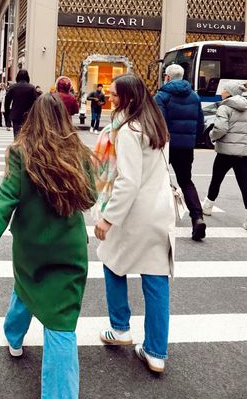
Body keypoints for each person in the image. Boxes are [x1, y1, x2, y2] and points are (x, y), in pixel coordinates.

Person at [0, 93, 97, 399]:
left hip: (31, 249)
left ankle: (13, 336)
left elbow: (5, 201)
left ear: (34, 118)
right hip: (69, 249)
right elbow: (91, 198)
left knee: (27, 285)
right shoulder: (79, 153)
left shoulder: (21, 152)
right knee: (61, 322)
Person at [94, 74, 175, 375]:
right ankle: (156, 352)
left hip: (134, 213)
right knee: (156, 279)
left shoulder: (129, 130)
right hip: (160, 211)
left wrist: (107, 218)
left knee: (110, 260)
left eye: (115, 95)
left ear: (127, 97)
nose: (110, 99)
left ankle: (120, 327)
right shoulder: (156, 123)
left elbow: (128, 182)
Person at [154, 64, 206, 241]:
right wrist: (193, 140)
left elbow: (157, 123)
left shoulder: (161, 96)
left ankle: (156, 220)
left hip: (166, 145)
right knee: (186, 181)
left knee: (157, 180)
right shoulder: (194, 96)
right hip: (186, 147)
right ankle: (197, 217)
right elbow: (200, 123)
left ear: (167, 77)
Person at [203, 81, 247, 230]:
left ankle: (208, 206)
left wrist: (211, 135)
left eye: (224, 90)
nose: (221, 92)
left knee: (216, 179)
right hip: (243, 153)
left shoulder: (225, 107)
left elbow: (220, 128)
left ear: (230, 92)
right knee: (244, 184)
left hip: (225, 152)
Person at [4, 69, 38, 137]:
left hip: (16, 114)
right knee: (27, 135)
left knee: (16, 135)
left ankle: (17, 147)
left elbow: (7, 102)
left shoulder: (13, 87)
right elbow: (36, 102)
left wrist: (8, 114)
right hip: (28, 115)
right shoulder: (31, 88)